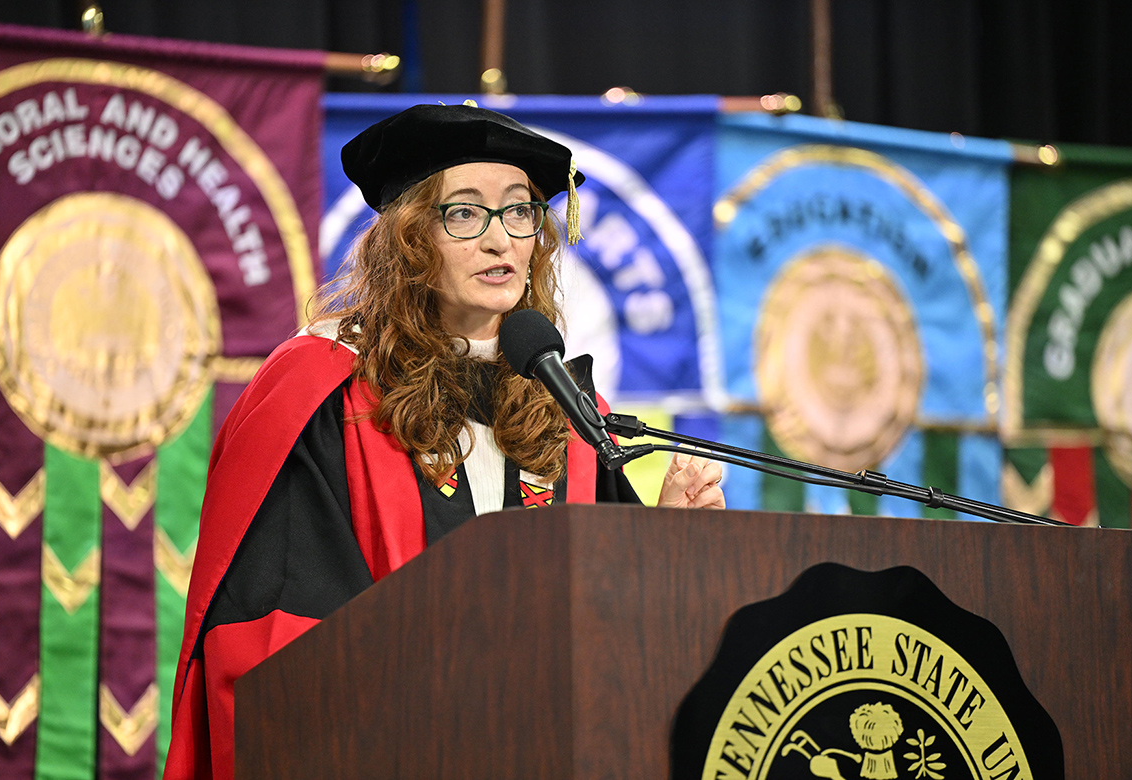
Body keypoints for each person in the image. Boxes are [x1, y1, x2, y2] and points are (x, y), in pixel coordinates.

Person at [162, 103, 724, 780]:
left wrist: (663, 543)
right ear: (408, 239)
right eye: (464, 212)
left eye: (520, 212)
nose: (501, 240)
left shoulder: (566, 408)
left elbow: (609, 636)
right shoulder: (324, 387)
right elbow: (278, 635)